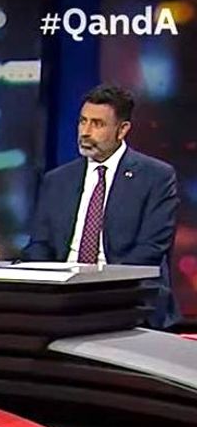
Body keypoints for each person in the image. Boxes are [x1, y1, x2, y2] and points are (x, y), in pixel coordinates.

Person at [21, 84, 180, 329]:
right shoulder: (57, 180)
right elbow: (40, 245)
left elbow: (149, 251)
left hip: (127, 298)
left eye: (97, 124)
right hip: (62, 298)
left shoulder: (156, 177)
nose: (85, 132)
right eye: (82, 121)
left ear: (122, 130)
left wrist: (97, 287)